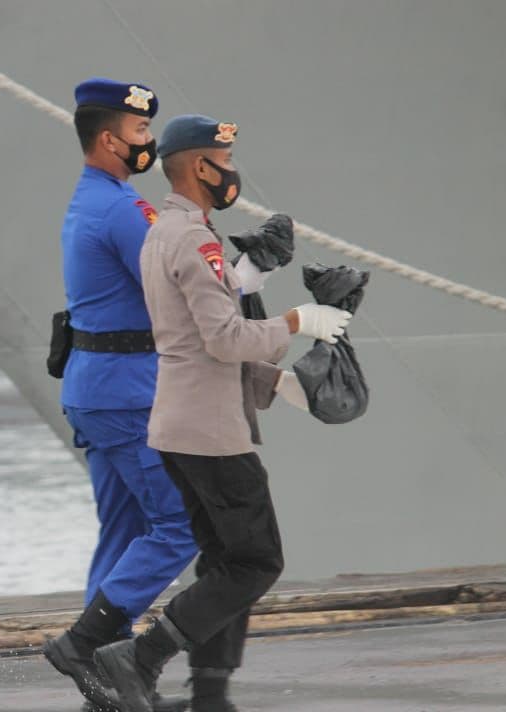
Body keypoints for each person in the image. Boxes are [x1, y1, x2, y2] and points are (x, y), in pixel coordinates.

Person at [92, 115, 352, 712]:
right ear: (199, 168)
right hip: (211, 432)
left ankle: (211, 692)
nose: (232, 172)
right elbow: (223, 339)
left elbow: (190, 331)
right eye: (223, 161)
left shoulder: (162, 232)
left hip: (176, 426)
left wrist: (275, 378)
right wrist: (296, 322)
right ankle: (141, 657)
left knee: (225, 560)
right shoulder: (196, 240)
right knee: (258, 560)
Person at [42, 79, 198, 712]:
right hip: (127, 394)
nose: (149, 144)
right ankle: (89, 646)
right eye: (139, 134)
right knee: (183, 524)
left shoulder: (95, 200)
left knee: (126, 528)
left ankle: (104, 681)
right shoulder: (120, 210)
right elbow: (183, 273)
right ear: (109, 139)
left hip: (98, 389)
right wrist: (252, 272)